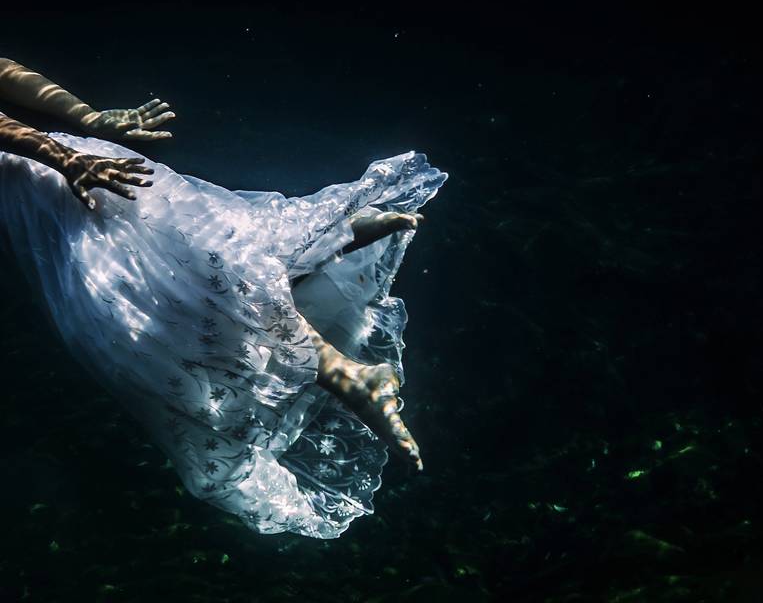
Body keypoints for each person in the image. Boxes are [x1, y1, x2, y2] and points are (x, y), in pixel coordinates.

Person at [0, 58, 446, 538]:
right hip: (45, 181)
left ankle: (325, 261)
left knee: (172, 296)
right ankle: (330, 277)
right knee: (188, 281)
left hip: (53, 179)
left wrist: (76, 139)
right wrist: (83, 125)